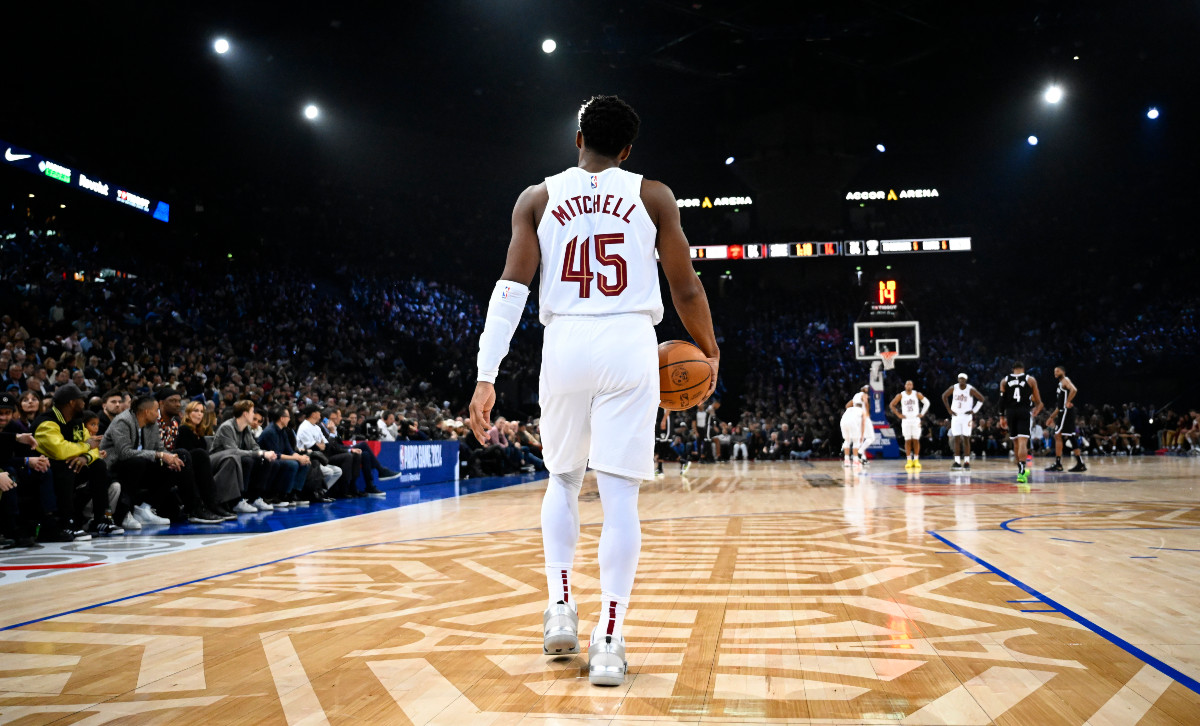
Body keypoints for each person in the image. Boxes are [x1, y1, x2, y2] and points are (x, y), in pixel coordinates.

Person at [467, 95, 718, 687]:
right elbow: (685, 289)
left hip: (566, 343)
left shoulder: (538, 197)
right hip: (631, 341)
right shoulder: (652, 195)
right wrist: (708, 350)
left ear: (577, 136)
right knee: (620, 496)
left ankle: (559, 608)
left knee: (562, 479)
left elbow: (511, 290)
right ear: (629, 149)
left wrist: (486, 374)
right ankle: (608, 640)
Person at [32, 383, 119, 537]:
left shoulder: (77, 422)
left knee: (98, 464)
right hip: (44, 469)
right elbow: (60, 450)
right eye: (81, 399)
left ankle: (101, 519)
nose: (84, 402)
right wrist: (85, 446)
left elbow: (95, 449)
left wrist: (85, 457)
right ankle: (67, 522)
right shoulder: (46, 422)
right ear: (72, 402)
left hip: (71, 467)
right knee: (67, 465)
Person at [176, 400, 245, 515]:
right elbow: (186, 453)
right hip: (188, 467)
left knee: (230, 461)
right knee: (229, 455)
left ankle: (227, 501)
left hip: (202, 465)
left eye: (202, 411)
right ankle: (212, 503)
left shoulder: (199, 432)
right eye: (196, 411)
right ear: (188, 413)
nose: (199, 414)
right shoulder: (184, 429)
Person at [211, 400, 279, 513]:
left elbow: (254, 446)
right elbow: (233, 451)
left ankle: (255, 497)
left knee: (265, 460)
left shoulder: (246, 428)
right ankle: (237, 500)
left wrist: (265, 454)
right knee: (247, 460)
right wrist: (260, 453)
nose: (253, 414)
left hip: (235, 459)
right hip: (220, 461)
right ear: (245, 414)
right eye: (252, 412)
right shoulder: (227, 427)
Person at [999, 362, 1044, 483]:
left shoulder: (1005, 380)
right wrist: (1036, 410)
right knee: (1023, 441)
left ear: (1012, 370)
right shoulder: (1030, 379)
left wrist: (1001, 417)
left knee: (1016, 443)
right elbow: (1039, 402)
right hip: (1024, 411)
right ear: (1023, 369)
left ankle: (1020, 470)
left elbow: (1001, 401)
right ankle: (1022, 471)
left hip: (1010, 412)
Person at [256, 407, 310, 506]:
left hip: (278, 458)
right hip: (267, 459)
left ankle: (294, 493)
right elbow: (277, 454)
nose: (289, 419)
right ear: (282, 418)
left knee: (304, 463)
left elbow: (289, 450)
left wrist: (301, 457)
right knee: (292, 464)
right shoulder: (270, 431)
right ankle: (280, 495)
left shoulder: (283, 431)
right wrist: (297, 458)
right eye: (288, 417)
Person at [1043, 366, 1087, 472]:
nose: (1055, 373)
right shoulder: (1060, 384)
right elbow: (1059, 406)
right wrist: (1051, 417)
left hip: (1066, 412)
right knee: (1071, 436)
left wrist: (1068, 401)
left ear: (1063, 371)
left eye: (1057, 371)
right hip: (1064, 412)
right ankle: (1080, 463)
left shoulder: (1065, 380)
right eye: (1054, 371)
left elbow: (1074, 390)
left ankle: (1058, 464)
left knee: (1057, 435)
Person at [941, 373, 985, 471]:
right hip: (956, 416)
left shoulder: (970, 389)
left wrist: (974, 410)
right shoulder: (954, 388)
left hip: (966, 417)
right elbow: (944, 396)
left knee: (966, 438)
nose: (961, 380)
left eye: (963, 379)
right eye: (960, 379)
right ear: (958, 379)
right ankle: (957, 461)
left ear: (966, 380)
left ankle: (966, 462)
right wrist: (948, 409)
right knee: (956, 438)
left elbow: (981, 399)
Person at [889, 380, 931, 469]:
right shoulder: (901, 395)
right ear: (905, 386)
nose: (909, 385)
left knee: (916, 440)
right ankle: (909, 460)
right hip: (906, 420)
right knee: (907, 440)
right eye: (907, 384)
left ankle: (916, 460)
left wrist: (922, 413)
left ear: (912, 386)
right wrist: (898, 415)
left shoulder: (916, 394)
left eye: (910, 384)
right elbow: (892, 405)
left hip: (915, 419)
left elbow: (927, 403)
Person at [840, 385, 871, 469]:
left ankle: (846, 460)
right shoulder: (862, 410)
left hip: (843, 421)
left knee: (847, 440)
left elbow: (847, 405)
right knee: (856, 441)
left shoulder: (850, 408)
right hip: (852, 422)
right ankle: (855, 461)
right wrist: (861, 436)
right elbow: (863, 424)